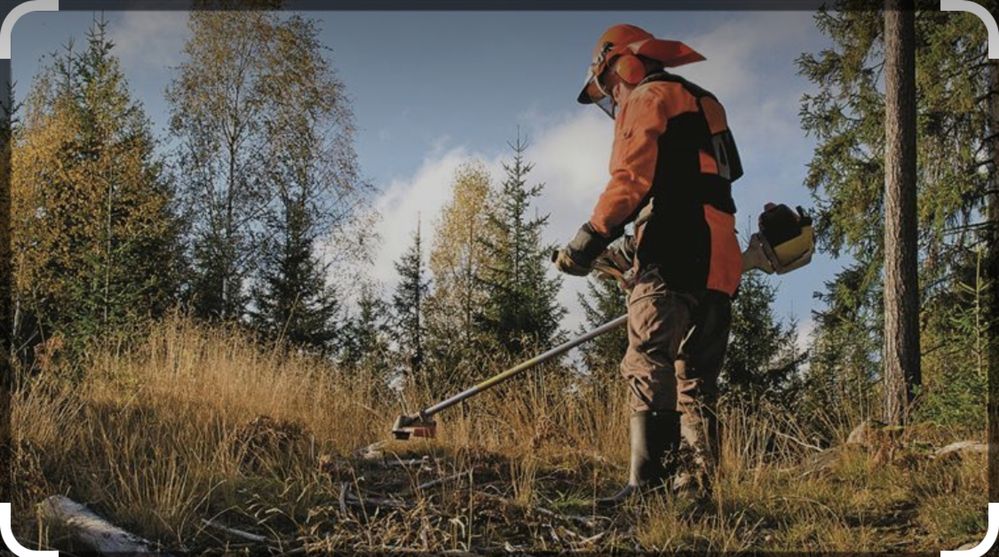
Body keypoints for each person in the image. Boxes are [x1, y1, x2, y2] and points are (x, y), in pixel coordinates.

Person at [554, 23, 744, 504]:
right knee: (696, 379)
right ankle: (696, 492)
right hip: (720, 256)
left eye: (609, 85)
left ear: (625, 63)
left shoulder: (648, 96)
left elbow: (631, 178)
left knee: (647, 360)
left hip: (674, 244)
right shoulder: (704, 100)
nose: (613, 98)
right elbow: (713, 177)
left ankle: (648, 488)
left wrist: (589, 239)